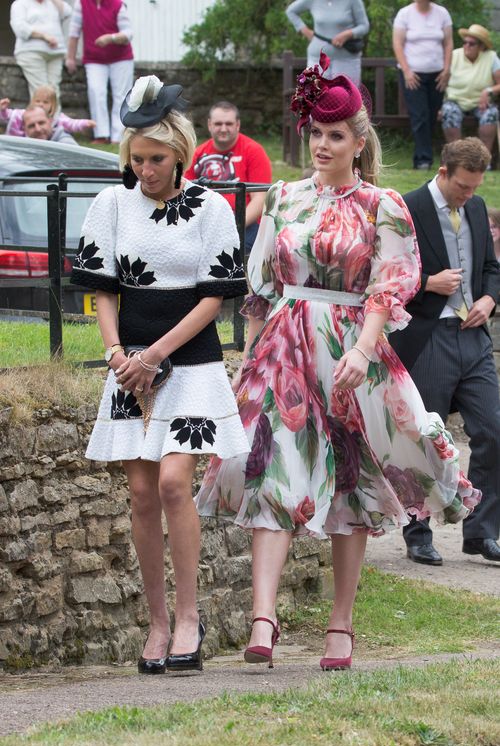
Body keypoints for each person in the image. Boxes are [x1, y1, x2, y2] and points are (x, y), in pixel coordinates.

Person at [196, 53, 480, 670]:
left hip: (354, 352)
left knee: (351, 483)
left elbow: (391, 284)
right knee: (269, 472)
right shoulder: (282, 198)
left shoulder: (383, 206)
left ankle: (341, 626)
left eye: (335, 135)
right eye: (316, 134)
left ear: (358, 141)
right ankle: (262, 620)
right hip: (284, 349)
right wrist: (248, 358)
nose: (322, 145)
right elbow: (261, 286)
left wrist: (361, 347)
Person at [70, 75, 249, 674]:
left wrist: (155, 356)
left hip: (191, 361)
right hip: (129, 367)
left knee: (175, 482)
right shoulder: (111, 204)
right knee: (142, 492)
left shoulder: (211, 206)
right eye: (136, 159)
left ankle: (191, 617)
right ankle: (156, 622)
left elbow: (213, 298)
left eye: (156, 158)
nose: (145, 169)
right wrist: (119, 353)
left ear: (179, 152)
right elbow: (102, 290)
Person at [390, 138, 500, 565]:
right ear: (443, 173)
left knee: (493, 430)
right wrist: (425, 283)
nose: (469, 196)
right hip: (427, 336)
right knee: (425, 439)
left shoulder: (475, 208)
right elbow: (382, 273)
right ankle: (417, 532)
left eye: (474, 189)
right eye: (462, 188)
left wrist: (490, 301)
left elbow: (491, 268)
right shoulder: (407, 207)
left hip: (474, 337)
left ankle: (481, 531)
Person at [185, 101, 272, 254]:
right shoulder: (197, 154)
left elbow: (260, 200)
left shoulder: (254, 151)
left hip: (245, 223)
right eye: (218, 123)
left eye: (229, 124)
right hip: (205, 223)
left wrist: (232, 225)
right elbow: (185, 195)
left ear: (237, 125)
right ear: (209, 125)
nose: (223, 129)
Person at [392, 0, 453, 170]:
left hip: (437, 74)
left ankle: (426, 155)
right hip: (413, 75)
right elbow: (397, 44)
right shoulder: (404, 14)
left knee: (432, 115)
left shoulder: (442, 13)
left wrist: (447, 70)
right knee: (420, 115)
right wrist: (407, 71)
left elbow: (448, 43)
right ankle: (422, 160)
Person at [65, 0, 134, 144]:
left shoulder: (117, 4)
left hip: (121, 58)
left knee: (121, 95)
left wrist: (111, 38)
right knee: (96, 92)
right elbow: (74, 32)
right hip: (94, 58)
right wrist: (70, 58)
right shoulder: (81, 4)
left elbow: (128, 34)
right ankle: (101, 134)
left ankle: (119, 137)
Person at [441, 25, 500, 156]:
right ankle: (457, 159)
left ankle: (484, 160)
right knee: (449, 112)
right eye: (465, 42)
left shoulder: (491, 57)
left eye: (471, 43)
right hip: (455, 100)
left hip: (481, 102)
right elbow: (442, 82)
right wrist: (440, 105)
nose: (466, 46)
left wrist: (488, 91)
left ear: (481, 46)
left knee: (491, 114)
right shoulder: (454, 55)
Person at [285, 0, 369, 83]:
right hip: (317, 60)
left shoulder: (354, 1)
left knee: (346, 96)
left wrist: (348, 34)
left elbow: (364, 26)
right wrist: (305, 30)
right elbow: (291, 11)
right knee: (318, 95)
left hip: (346, 60)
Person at [10, 0, 72, 100]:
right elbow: (20, 28)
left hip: (55, 53)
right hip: (31, 52)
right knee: (41, 91)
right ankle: (39, 116)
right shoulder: (20, 3)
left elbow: (68, 12)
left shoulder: (52, 3)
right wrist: (44, 36)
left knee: (54, 92)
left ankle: (54, 116)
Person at [0, 86, 95, 138]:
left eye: (45, 102)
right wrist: (3, 109)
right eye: (38, 101)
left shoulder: (57, 119)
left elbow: (72, 124)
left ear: (52, 105)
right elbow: (6, 116)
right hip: (17, 144)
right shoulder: (21, 114)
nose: (41, 104)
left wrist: (85, 123)